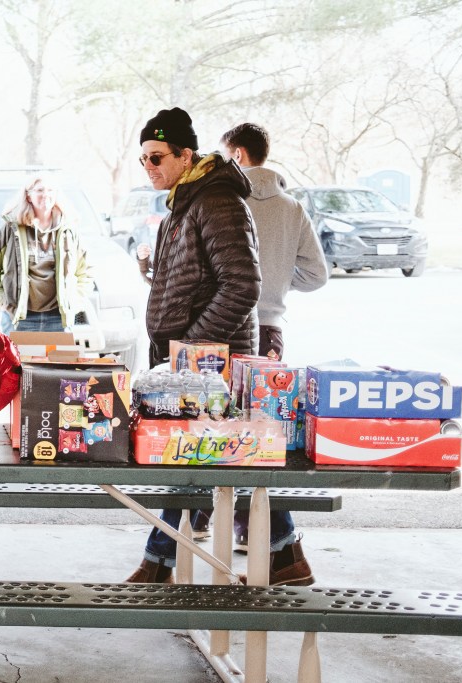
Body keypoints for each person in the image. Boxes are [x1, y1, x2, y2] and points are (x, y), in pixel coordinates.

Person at [126, 107, 313, 587]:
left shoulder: (217, 203)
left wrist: (193, 350)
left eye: (157, 157)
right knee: (210, 453)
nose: (149, 166)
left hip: (211, 363)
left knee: (206, 454)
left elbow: (242, 284)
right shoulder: (185, 202)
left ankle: (160, 561)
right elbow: (195, 278)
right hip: (194, 361)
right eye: (143, 158)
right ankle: (284, 554)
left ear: (186, 155)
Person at [220, 122, 329, 553]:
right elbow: (318, 275)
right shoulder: (293, 208)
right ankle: (262, 532)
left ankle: (215, 517)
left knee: (214, 424)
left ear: (239, 156)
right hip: (270, 330)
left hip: (227, 327)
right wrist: (280, 284)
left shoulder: (225, 203)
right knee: (262, 428)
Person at [0, 177, 93, 333]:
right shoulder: (11, 229)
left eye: (50, 190)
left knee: (59, 358)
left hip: (59, 319)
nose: (45, 194)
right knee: (17, 358)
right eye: (39, 190)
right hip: (20, 318)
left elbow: (85, 272)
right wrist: (6, 303)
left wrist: (74, 302)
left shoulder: (68, 230)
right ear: (28, 196)